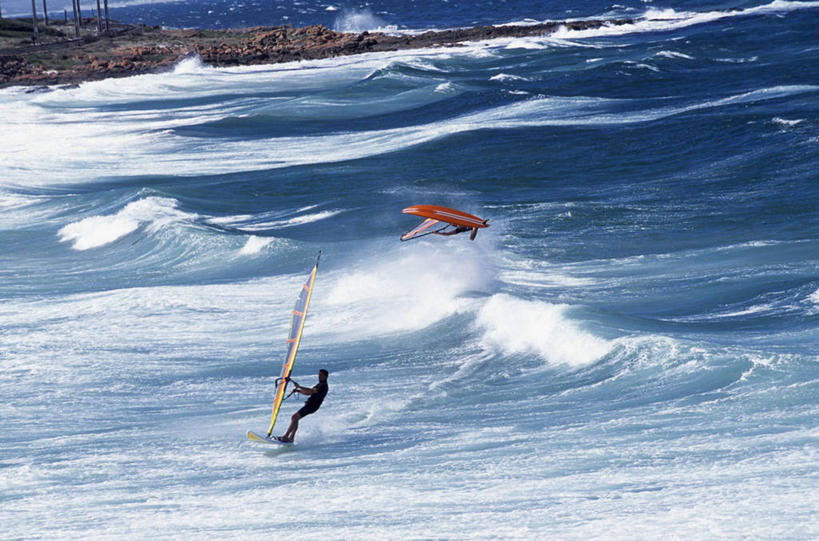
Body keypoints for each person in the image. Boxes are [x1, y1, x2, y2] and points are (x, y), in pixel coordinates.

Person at [277, 369, 329, 443]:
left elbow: (311, 391)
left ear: (326, 376)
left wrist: (299, 387)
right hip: (311, 405)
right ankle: (291, 438)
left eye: (321, 375)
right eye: (319, 374)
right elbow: (308, 393)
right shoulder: (319, 384)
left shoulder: (323, 385)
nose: (319, 376)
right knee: (295, 418)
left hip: (312, 406)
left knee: (294, 417)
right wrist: (298, 390)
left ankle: (286, 437)